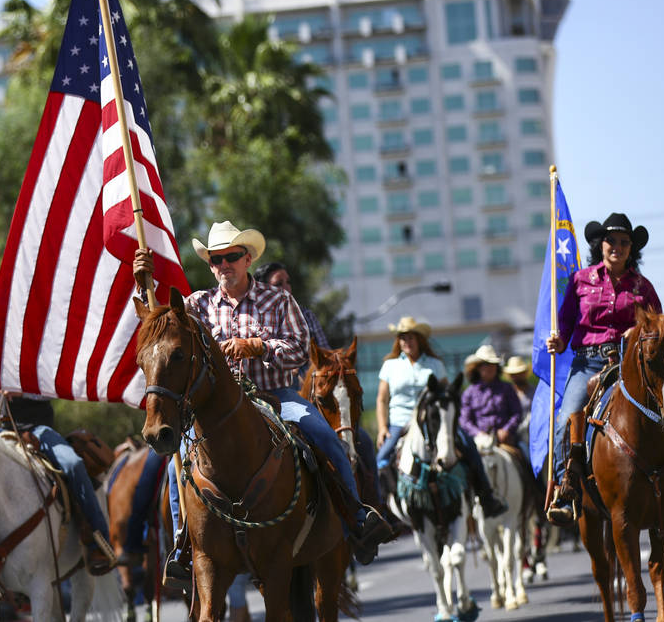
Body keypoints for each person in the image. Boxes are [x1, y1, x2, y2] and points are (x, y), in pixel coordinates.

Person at [133, 220, 398, 583]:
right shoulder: (197, 305)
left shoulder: (279, 300)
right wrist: (142, 280)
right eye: (216, 259)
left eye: (231, 257)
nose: (223, 265)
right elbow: (164, 334)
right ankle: (183, 545)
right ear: (210, 265)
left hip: (277, 396)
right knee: (175, 466)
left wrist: (258, 346)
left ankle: (355, 516)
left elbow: (298, 351)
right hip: (217, 410)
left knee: (324, 438)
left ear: (247, 259)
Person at [546, 212, 664, 524]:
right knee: (566, 415)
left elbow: (660, 328)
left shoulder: (643, 287)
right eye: (611, 241)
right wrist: (558, 341)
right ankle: (566, 488)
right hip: (586, 360)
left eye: (624, 242)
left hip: (630, 363)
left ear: (632, 248)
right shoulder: (580, 281)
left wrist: (641, 334)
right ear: (600, 245)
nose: (617, 246)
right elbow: (565, 326)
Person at [0, 287, 115, 575]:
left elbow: (51, 388)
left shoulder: (31, 353)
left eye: (0, 315)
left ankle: (96, 540)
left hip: (32, 430)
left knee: (73, 463)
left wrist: (22, 389)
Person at [253, 260, 380, 506]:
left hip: (315, 396)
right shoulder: (257, 319)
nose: (287, 287)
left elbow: (328, 359)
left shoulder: (306, 315)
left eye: (288, 282)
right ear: (264, 288)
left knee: (361, 440)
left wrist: (323, 375)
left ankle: (372, 510)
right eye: (280, 283)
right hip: (275, 397)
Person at [375, 317, 507, 518]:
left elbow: (447, 394)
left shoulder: (435, 364)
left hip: (433, 421)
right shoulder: (390, 366)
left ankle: (487, 497)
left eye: (410, 338)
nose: (406, 342)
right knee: (382, 459)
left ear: (419, 340)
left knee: (469, 445)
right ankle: (384, 512)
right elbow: (382, 400)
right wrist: (383, 427)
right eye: (402, 338)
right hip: (400, 422)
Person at [460, 345, 527, 462]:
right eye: (485, 364)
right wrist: (479, 433)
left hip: (507, 440)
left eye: (493, 364)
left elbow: (517, 413)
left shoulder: (507, 388)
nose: (490, 368)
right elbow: (465, 420)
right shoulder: (469, 393)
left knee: (529, 458)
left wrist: (506, 429)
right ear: (478, 368)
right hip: (479, 443)